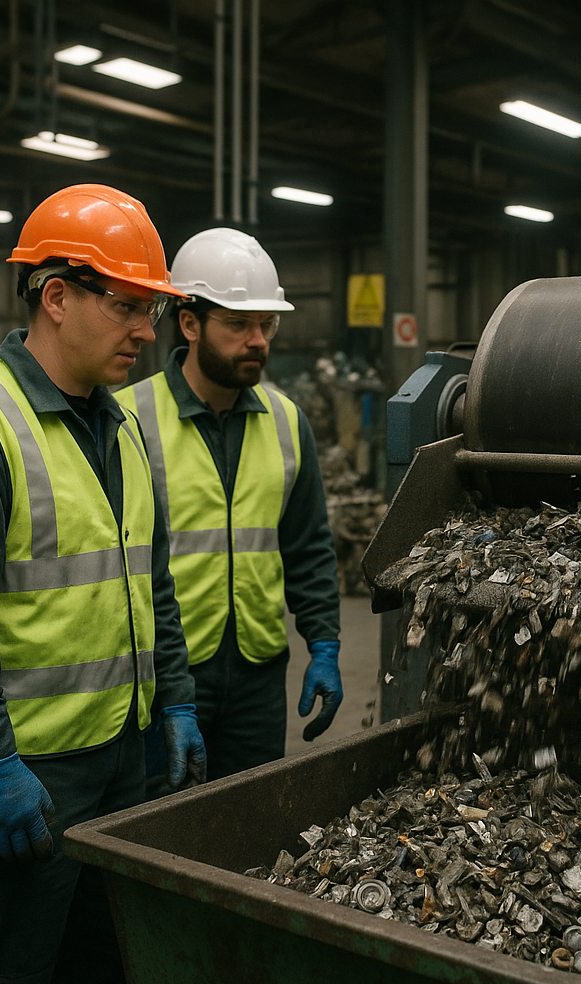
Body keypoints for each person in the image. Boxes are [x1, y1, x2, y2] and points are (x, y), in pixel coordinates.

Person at [0, 184, 207, 984]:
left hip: (123, 762)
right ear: (56, 297)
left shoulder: (121, 426)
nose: (147, 331)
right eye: (127, 307)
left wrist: (176, 699)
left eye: (151, 309)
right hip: (27, 782)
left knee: (107, 979)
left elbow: (154, 583)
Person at [115, 226, 342, 786]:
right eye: (239, 324)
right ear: (190, 324)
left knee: (250, 818)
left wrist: (325, 644)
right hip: (165, 675)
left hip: (257, 676)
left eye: (267, 324)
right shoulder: (128, 419)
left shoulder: (287, 422)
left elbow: (308, 546)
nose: (258, 340)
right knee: (164, 822)